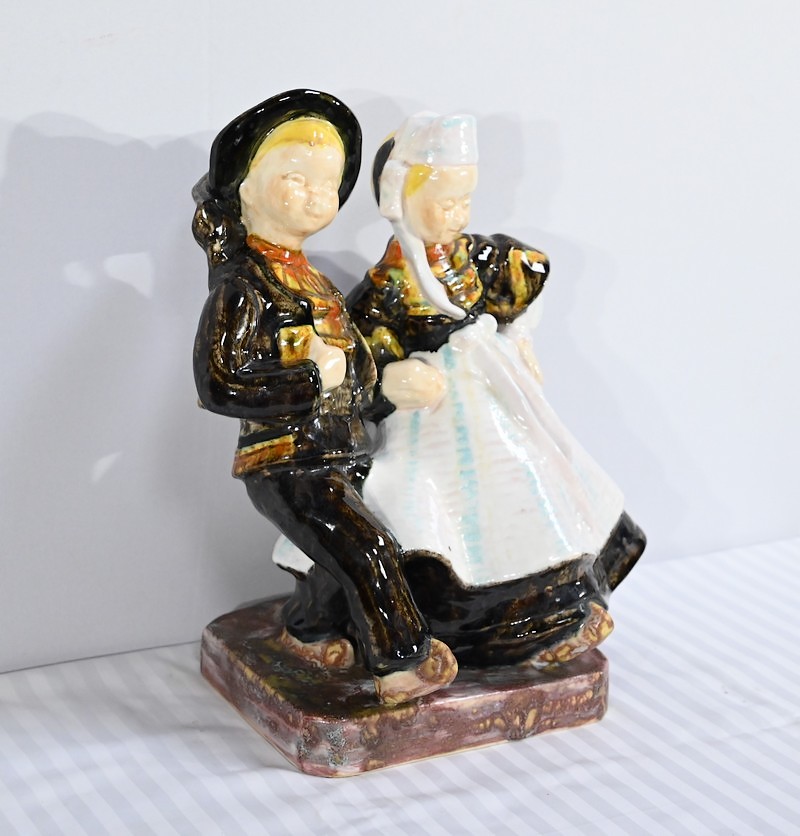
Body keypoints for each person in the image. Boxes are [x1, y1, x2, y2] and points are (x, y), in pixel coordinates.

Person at [344, 113, 646, 667]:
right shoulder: (384, 292)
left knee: (536, 495)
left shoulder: (480, 259)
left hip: (496, 407)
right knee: (451, 531)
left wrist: (519, 337)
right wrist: (389, 382)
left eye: (464, 199)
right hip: (433, 430)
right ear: (398, 201)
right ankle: (489, 633)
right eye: (443, 202)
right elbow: (357, 367)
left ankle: (564, 609)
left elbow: (530, 282)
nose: (456, 214)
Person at [192, 90, 457, 703]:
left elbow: (356, 373)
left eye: (329, 184)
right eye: (295, 179)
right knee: (368, 547)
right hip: (287, 461)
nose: (316, 195)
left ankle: (310, 631)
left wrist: (386, 386)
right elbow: (219, 384)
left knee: (346, 552)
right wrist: (310, 379)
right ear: (245, 188)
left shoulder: (316, 281)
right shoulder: (243, 286)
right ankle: (402, 662)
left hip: (341, 449)